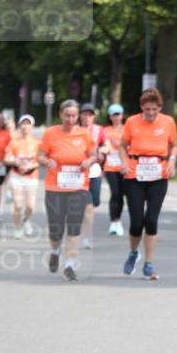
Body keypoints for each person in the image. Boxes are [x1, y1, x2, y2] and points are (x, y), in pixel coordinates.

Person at [119, 87, 177, 281]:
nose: (151, 113)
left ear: (160, 107)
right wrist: (124, 163)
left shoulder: (168, 122)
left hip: (158, 175)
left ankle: (149, 263)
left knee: (151, 220)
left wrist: (172, 161)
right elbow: (122, 146)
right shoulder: (131, 122)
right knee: (137, 222)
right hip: (135, 175)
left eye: (154, 109)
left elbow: (174, 145)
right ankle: (133, 253)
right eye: (147, 109)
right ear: (142, 108)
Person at [37, 100, 97, 281]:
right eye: (67, 115)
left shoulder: (85, 134)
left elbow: (95, 154)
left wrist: (89, 161)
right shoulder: (50, 133)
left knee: (74, 225)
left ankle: (70, 264)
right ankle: (55, 250)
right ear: (61, 114)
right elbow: (40, 155)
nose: (71, 119)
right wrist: (47, 161)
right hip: (55, 187)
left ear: (78, 116)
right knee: (56, 229)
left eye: (74, 115)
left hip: (78, 186)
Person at [4, 115, 40, 237]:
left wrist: (30, 166)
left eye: (28, 124)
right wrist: (15, 161)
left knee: (30, 206)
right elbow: (6, 158)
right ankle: (17, 228)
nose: (25, 126)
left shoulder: (36, 143)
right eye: (23, 124)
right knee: (18, 205)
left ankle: (26, 220)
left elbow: (40, 160)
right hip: (17, 176)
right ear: (20, 126)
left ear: (32, 126)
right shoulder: (14, 142)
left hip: (31, 176)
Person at [79, 104, 105, 249]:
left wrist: (101, 150)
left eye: (90, 114)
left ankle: (86, 237)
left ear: (93, 117)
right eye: (84, 114)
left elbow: (107, 146)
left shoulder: (98, 130)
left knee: (90, 206)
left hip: (93, 171)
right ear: (80, 115)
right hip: (77, 172)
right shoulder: (74, 130)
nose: (87, 117)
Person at [101, 103, 126, 235]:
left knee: (121, 195)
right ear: (110, 117)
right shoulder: (106, 130)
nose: (116, 117)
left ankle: (118, 221)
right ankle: (112, 222)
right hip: (110, 166)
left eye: (118, 114)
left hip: (123, 166)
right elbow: (103, 145)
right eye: (113, 115)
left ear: (122, 115)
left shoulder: (127, 129)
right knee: (115, 193)